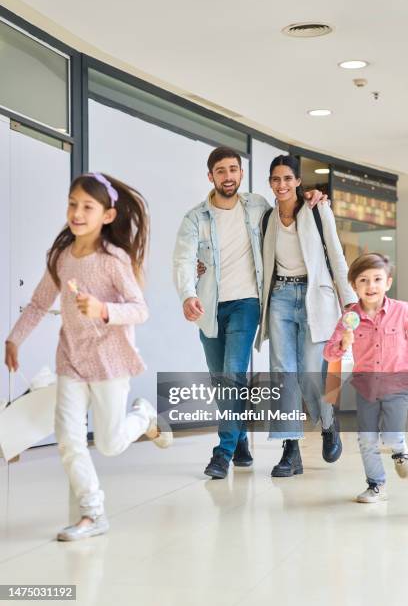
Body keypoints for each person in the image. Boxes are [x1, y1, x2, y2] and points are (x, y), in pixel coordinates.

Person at [5, 172, 172, 541]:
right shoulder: (61, 257)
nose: (77, 213)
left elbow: (139, 310)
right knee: (69, 439)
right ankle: (92, 513)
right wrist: (14, 340)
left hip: (110, 360)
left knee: (110, 444)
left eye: (87, 207)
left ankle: (144, 415)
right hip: (71, 359)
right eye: (72, 204)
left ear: (107, 216)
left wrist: (102, 309)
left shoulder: (113, 260)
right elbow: (37, 304)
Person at [173, 146, 324, 479]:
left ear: (241, 173)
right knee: (219, 379)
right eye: (221, 171)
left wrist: (312, 195)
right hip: (210, 307)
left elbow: (290, 209)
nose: (228, 176)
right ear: (210, 177)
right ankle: (240, 437)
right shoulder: (195, 218)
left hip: (247, 303)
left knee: (233, 375)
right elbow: (183, 260)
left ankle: (223, 452)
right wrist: (187, 294)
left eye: (233, 169)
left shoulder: (257, 206)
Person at [255, 154, 357, 477]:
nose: (281, 184)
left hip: (316, 298)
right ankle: (290, 450)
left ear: (299, 181)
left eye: (287, 178)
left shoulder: (317, 211)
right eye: (276, 179)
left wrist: (351, 303)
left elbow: (337, 256)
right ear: (270, 182)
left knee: (311, 373)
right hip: (281, 298)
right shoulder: (267, 218)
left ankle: (328, 423)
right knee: (283, 372)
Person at [324, 253, 408, 503]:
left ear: (388, 282)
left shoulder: (402, 311)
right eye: (363, 280)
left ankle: (400, 453)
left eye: (377, 279)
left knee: (392, 435)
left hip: (397, 385)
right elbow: (328, 352)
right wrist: (342, 342)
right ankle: (376, 485)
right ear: (354, 285)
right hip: (366, 387)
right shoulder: (350, 317)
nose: (371, 286)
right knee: (367, 439)